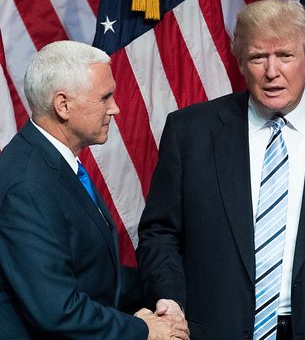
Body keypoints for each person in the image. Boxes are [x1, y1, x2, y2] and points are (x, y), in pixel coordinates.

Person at [137, 0, 305, 340]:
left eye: (285, 56)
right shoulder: (191, 132)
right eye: (258, 57)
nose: (271, 71)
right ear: (242, 63)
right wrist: (169, 298)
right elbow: (160, 233)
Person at [0, 40, 189, 340]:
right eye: (105, 97)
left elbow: (93, 275)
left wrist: (164, 292)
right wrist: (143, 330)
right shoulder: (26, 186)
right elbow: (58, 311)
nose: (115, 108)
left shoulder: (53, 163)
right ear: (63, 105)